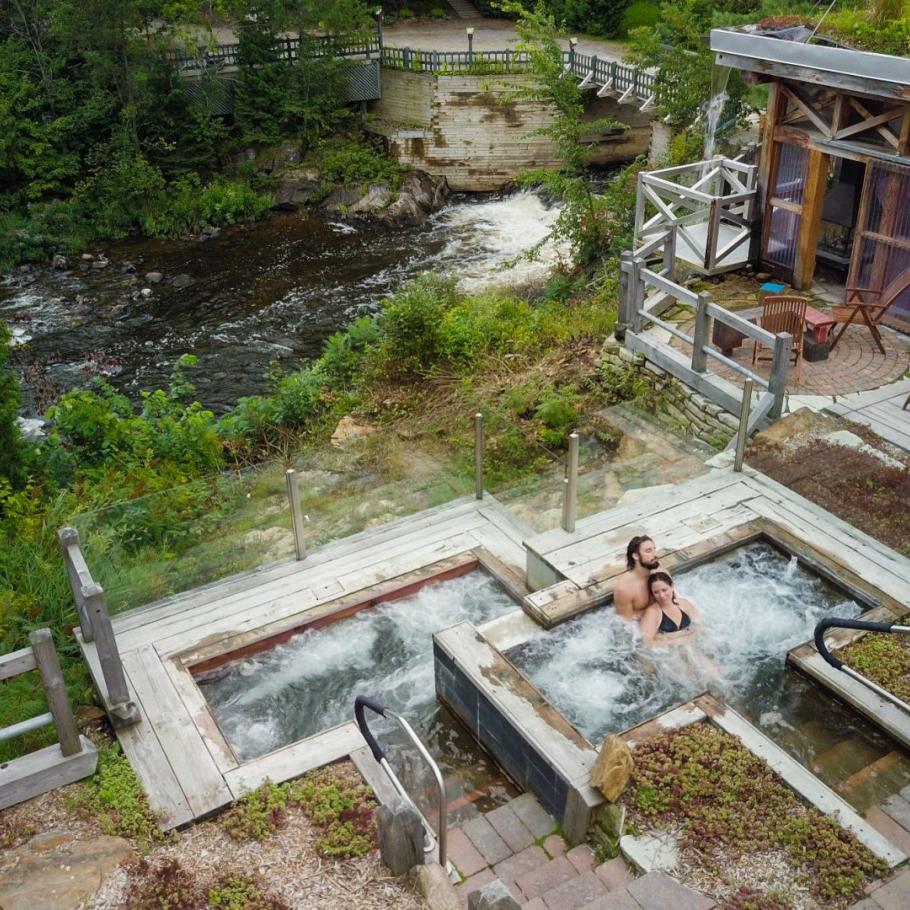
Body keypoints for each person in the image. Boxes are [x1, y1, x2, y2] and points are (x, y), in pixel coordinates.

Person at [640, 571, 699, 647]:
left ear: (671, 587)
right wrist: (678, 640)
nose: (661, 595)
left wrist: (691, 636)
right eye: (656, 592)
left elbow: (699, 624)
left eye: (664, 590)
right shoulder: (652, 612)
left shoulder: (684, 603)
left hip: (690, 644)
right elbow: (647, 643)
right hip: (669, 652)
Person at [613, 535, 660, 621]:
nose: (655, 554)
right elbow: (627, 624)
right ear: (636, 556)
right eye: (648, 551)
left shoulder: (662, 574)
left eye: (654, 549)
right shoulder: (624, 589)